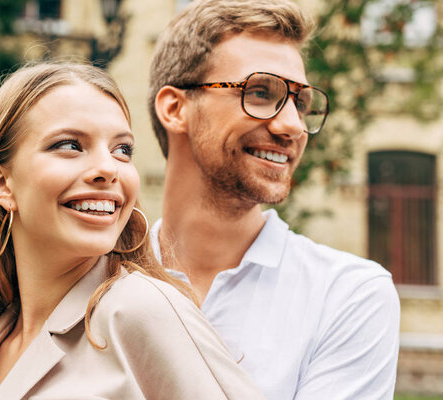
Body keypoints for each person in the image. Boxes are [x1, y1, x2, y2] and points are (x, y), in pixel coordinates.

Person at [0, 62, 264, 400]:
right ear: (1, 183)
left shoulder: (138, 311)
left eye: (122, 150)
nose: (108, 168)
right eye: (70, 145)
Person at [147, 1, 400, 399]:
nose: (293, 127)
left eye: (300, 103)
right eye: (261, 92)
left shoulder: (348, 295)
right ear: (176, 108)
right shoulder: (96, 278)